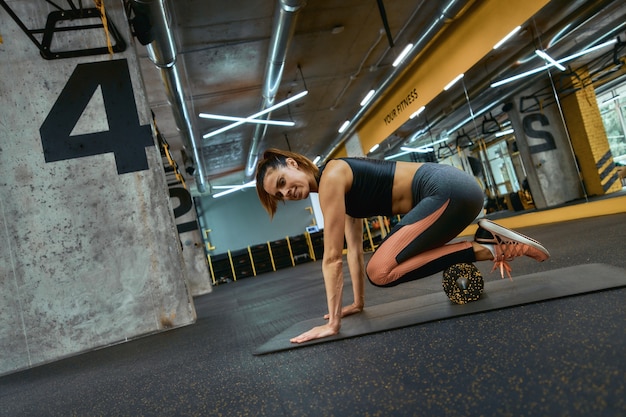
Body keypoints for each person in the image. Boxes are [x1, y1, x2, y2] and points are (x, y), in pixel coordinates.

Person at [255, 149, 549, 344]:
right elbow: (352, 252)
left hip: (447, 190)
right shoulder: (335, 186)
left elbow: (331, 258)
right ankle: (488, 245)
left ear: (292, 164)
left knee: (380, 270)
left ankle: (486, 248)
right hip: (455, 193)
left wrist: (332, 325)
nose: (286, 192)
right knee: (379, 267)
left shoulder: (331, 177)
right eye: (279, 194)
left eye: (282, 181)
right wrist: (357, 304)